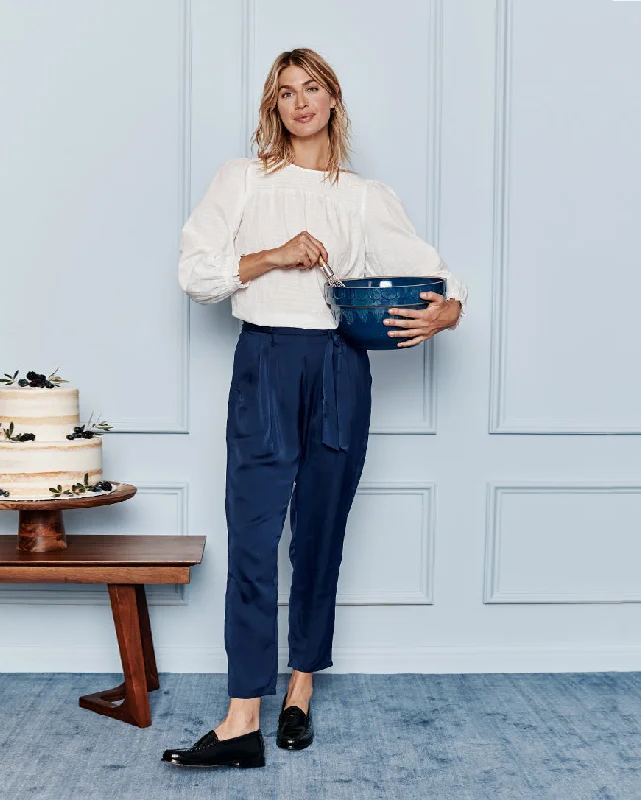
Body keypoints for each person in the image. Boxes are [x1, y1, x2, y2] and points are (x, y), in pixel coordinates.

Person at [162, 47, 468, 769]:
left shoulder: (364, 196)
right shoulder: (240, 181)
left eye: (313, 88)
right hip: (266, 359)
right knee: (253, 537)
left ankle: (299, 689)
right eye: (286, 92)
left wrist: (448, 310)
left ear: (333, 99)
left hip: (338, 366)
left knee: (320, 536)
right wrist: (271, 255)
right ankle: (241, 717)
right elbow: (195, 273)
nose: (300, 102)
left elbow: (430, 272)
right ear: (274, 107)